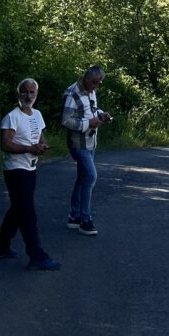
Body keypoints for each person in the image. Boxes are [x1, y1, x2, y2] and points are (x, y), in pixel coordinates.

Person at [0, 78, 61, 270]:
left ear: (36, 95)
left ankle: (1, 248)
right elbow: (5, 145)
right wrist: (29, 149)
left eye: (31, 92)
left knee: (17, 209)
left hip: (31, 168)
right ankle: (37, 255)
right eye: (24, 92)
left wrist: (42, 145)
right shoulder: (11, 117)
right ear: (18, 94)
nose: (28, 95)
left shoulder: (37, 115)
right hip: (15, 170)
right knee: (27, 213)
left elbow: (39, 135)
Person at [60, 65, 109, 236]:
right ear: (88, 79)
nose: (96, 86)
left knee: (82, 178)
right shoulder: (72, 93)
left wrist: (102, 115)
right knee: (90, 176)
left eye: (98, 83)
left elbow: (91, 110)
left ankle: (74, 216)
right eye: (95, 83)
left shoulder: (91, 91)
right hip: (78, 143)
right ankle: (85, 219)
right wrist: (89, 124)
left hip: (91, 142)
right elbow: (66, 120)